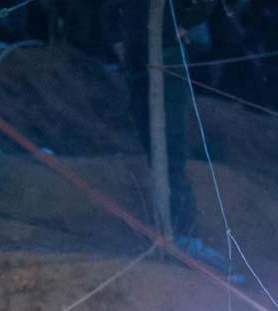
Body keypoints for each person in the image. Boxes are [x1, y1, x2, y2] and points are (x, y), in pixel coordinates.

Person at [101, 0, 235, 274]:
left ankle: (182, 234)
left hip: (166, 52)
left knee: (170, 146)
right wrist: (116, 38)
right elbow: (106, 7)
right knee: (151, 139)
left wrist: (182, 24)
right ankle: (164, 228)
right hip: (136, 52)